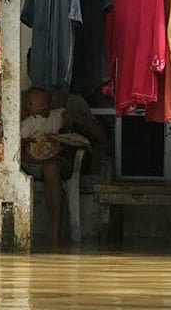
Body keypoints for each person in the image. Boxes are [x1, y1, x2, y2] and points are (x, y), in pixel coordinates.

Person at [20, 87, 107, 248]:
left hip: (58, 160)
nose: (45, 109)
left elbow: (100, 136)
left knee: (51, 168)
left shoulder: (67, 110)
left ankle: (55, 235)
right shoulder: (26, 114)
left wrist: (80, 120)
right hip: (28, 160)